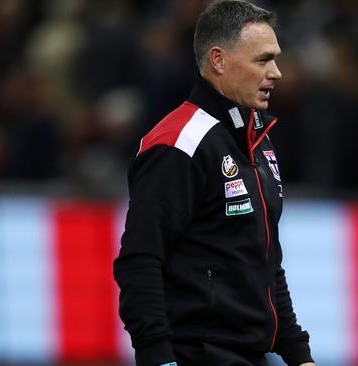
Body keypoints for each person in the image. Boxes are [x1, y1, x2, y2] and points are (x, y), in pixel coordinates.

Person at [113, 1, 316, 365]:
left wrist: (298, 354)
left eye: (275, 59)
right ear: (218, 60)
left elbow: (266, 263)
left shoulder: (258, 137)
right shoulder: (178, 144)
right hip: (196, 354)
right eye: (262, 60)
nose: (277, 73)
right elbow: (139, 261)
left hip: (250, 355)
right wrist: (158, 356)